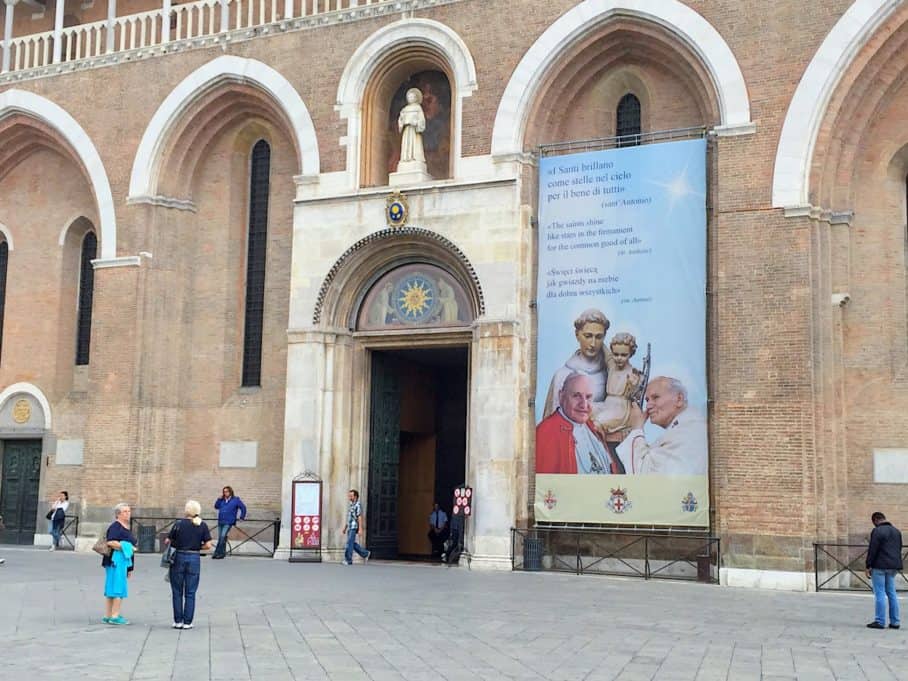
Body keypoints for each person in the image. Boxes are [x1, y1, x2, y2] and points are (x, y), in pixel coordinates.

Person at [615, 377, 707, 475]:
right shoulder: (682, 427)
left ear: (679, 399)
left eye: (655, 397)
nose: (648, 406)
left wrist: (637, 428)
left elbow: (645, 476)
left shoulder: (690, 430)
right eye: (647, 400)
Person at [536, 373, 624, 474]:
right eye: (576, 396)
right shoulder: (545, 434)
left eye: (588, 397)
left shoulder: (591, 426)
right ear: (561, 396)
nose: (584, 404)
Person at [542, 309, 611, 418]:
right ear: (577, 335)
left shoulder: (609, 373)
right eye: (588, 336)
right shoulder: (562, 375)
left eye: (598, 337)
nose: (593, 343)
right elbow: (552, 419)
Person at [167, 500, 213, 630]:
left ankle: (178, 621)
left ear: (186, 510)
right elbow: (209, 545)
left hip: (179, 557)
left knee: (177, 591)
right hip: (194, 557)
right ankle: (188, 622)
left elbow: (169, 540)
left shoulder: (178, 524)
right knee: (190, 592)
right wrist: (198, 547)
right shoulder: (202, 525)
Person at [865, 511, 902, 629]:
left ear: (875, 520)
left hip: (879, 566)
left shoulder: (877, 531)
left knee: (879, 593)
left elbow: (873, 549)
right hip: (893, 566)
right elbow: (899, 548)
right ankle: (895, 621)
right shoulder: (897, 531)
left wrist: (868, 565)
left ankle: (880, 621)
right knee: (892, 593)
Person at [102, 502, 137, 625]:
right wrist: (128, 547)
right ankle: (115, 616)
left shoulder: (125, 526)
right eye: (125, 511)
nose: (128, 513)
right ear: (118, 514)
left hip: (121, 561)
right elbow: (110, 542)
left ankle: (108, 614)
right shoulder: (116, 527)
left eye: (129, 511)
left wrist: (130, 568)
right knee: (118, 588)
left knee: (112, 587)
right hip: (116, 561)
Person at [212, 485, 246, 559]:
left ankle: (216, 553)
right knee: (221, 538)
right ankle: (222, 554)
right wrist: (218, 499)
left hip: (229, 522)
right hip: (221, 521)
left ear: (230, 492)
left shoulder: (236, 500)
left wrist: (242, 517)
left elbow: (243, 508)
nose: (225, 493)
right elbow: (216, 506)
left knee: (222, 536)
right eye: (224, 492)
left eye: (227, 491)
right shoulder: (222, 500)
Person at [398, 87, 427, 166]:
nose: (411, 98)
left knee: (415, 144)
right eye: (409, 97)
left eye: (412, 97)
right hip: (407, 129)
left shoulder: (418, 108)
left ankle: (415, 158)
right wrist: (402, 122)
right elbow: (401, 119)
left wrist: (416, 123)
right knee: (406, 143)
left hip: (414, 130)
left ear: (416, 98)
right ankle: (406, 158)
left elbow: (422, 120)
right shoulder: (405, 109)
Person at [342, 489, 370, 565]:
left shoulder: (358, 505)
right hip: (350, 526)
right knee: (351, 543)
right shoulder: (351, 505)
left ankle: (348, 560)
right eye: (349, 496)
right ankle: (365, 553)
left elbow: (359, 517)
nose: (349, 497)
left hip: (354, 526)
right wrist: (345, 528)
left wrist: (360, 528)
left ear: (355, 496)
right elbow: (349, 517)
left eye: (351, 496)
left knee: (349, 543)